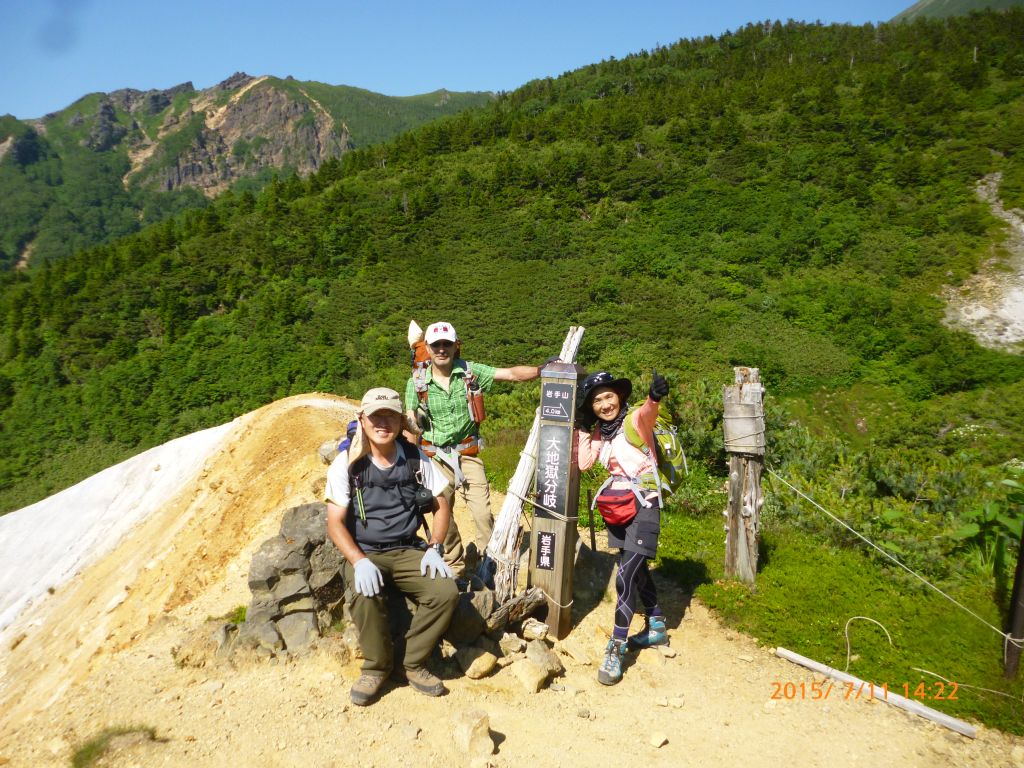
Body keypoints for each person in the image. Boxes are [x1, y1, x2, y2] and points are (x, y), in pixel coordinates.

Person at [325, 387, 459, 706]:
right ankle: (376, 667)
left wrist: (435, 545)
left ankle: (411, 663)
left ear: (400, 421)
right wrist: (358, 561)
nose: (382, 423)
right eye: (375, 416)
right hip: (366, 551)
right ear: (362, 419)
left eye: (390, 416)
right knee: (362, 595)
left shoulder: (414, 458)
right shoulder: (347, 463)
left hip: (408, 549)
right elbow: (334, 523)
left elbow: (441, 502)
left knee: (445, 593)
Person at [404, 321, 541, 574]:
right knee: (440, 511)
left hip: (468, 454)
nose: (442, 349)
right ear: (428, 348)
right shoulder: (417, 381)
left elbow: (510, 374)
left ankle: (486, 564)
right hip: (434, 456)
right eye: (436, 345)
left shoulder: (470, 371)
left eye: (447, 344)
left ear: (456, 346)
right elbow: (410, 420)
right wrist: (412, 460)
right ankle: (454, 564)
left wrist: (542, 370)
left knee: (482, 513)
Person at [577, 370, 671, 686]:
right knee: (635, 568)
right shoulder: (599, 435)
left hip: (645, 504)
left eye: (608, 396)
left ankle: (616, 647)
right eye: (597, 400)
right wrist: (580, 426)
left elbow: (648, 413)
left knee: (625, 575)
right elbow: (584, 462)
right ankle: (656, 625)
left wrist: (654, 397)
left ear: (619, 396)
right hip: (617, 505)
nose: (604, 404)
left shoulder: (633, 421)